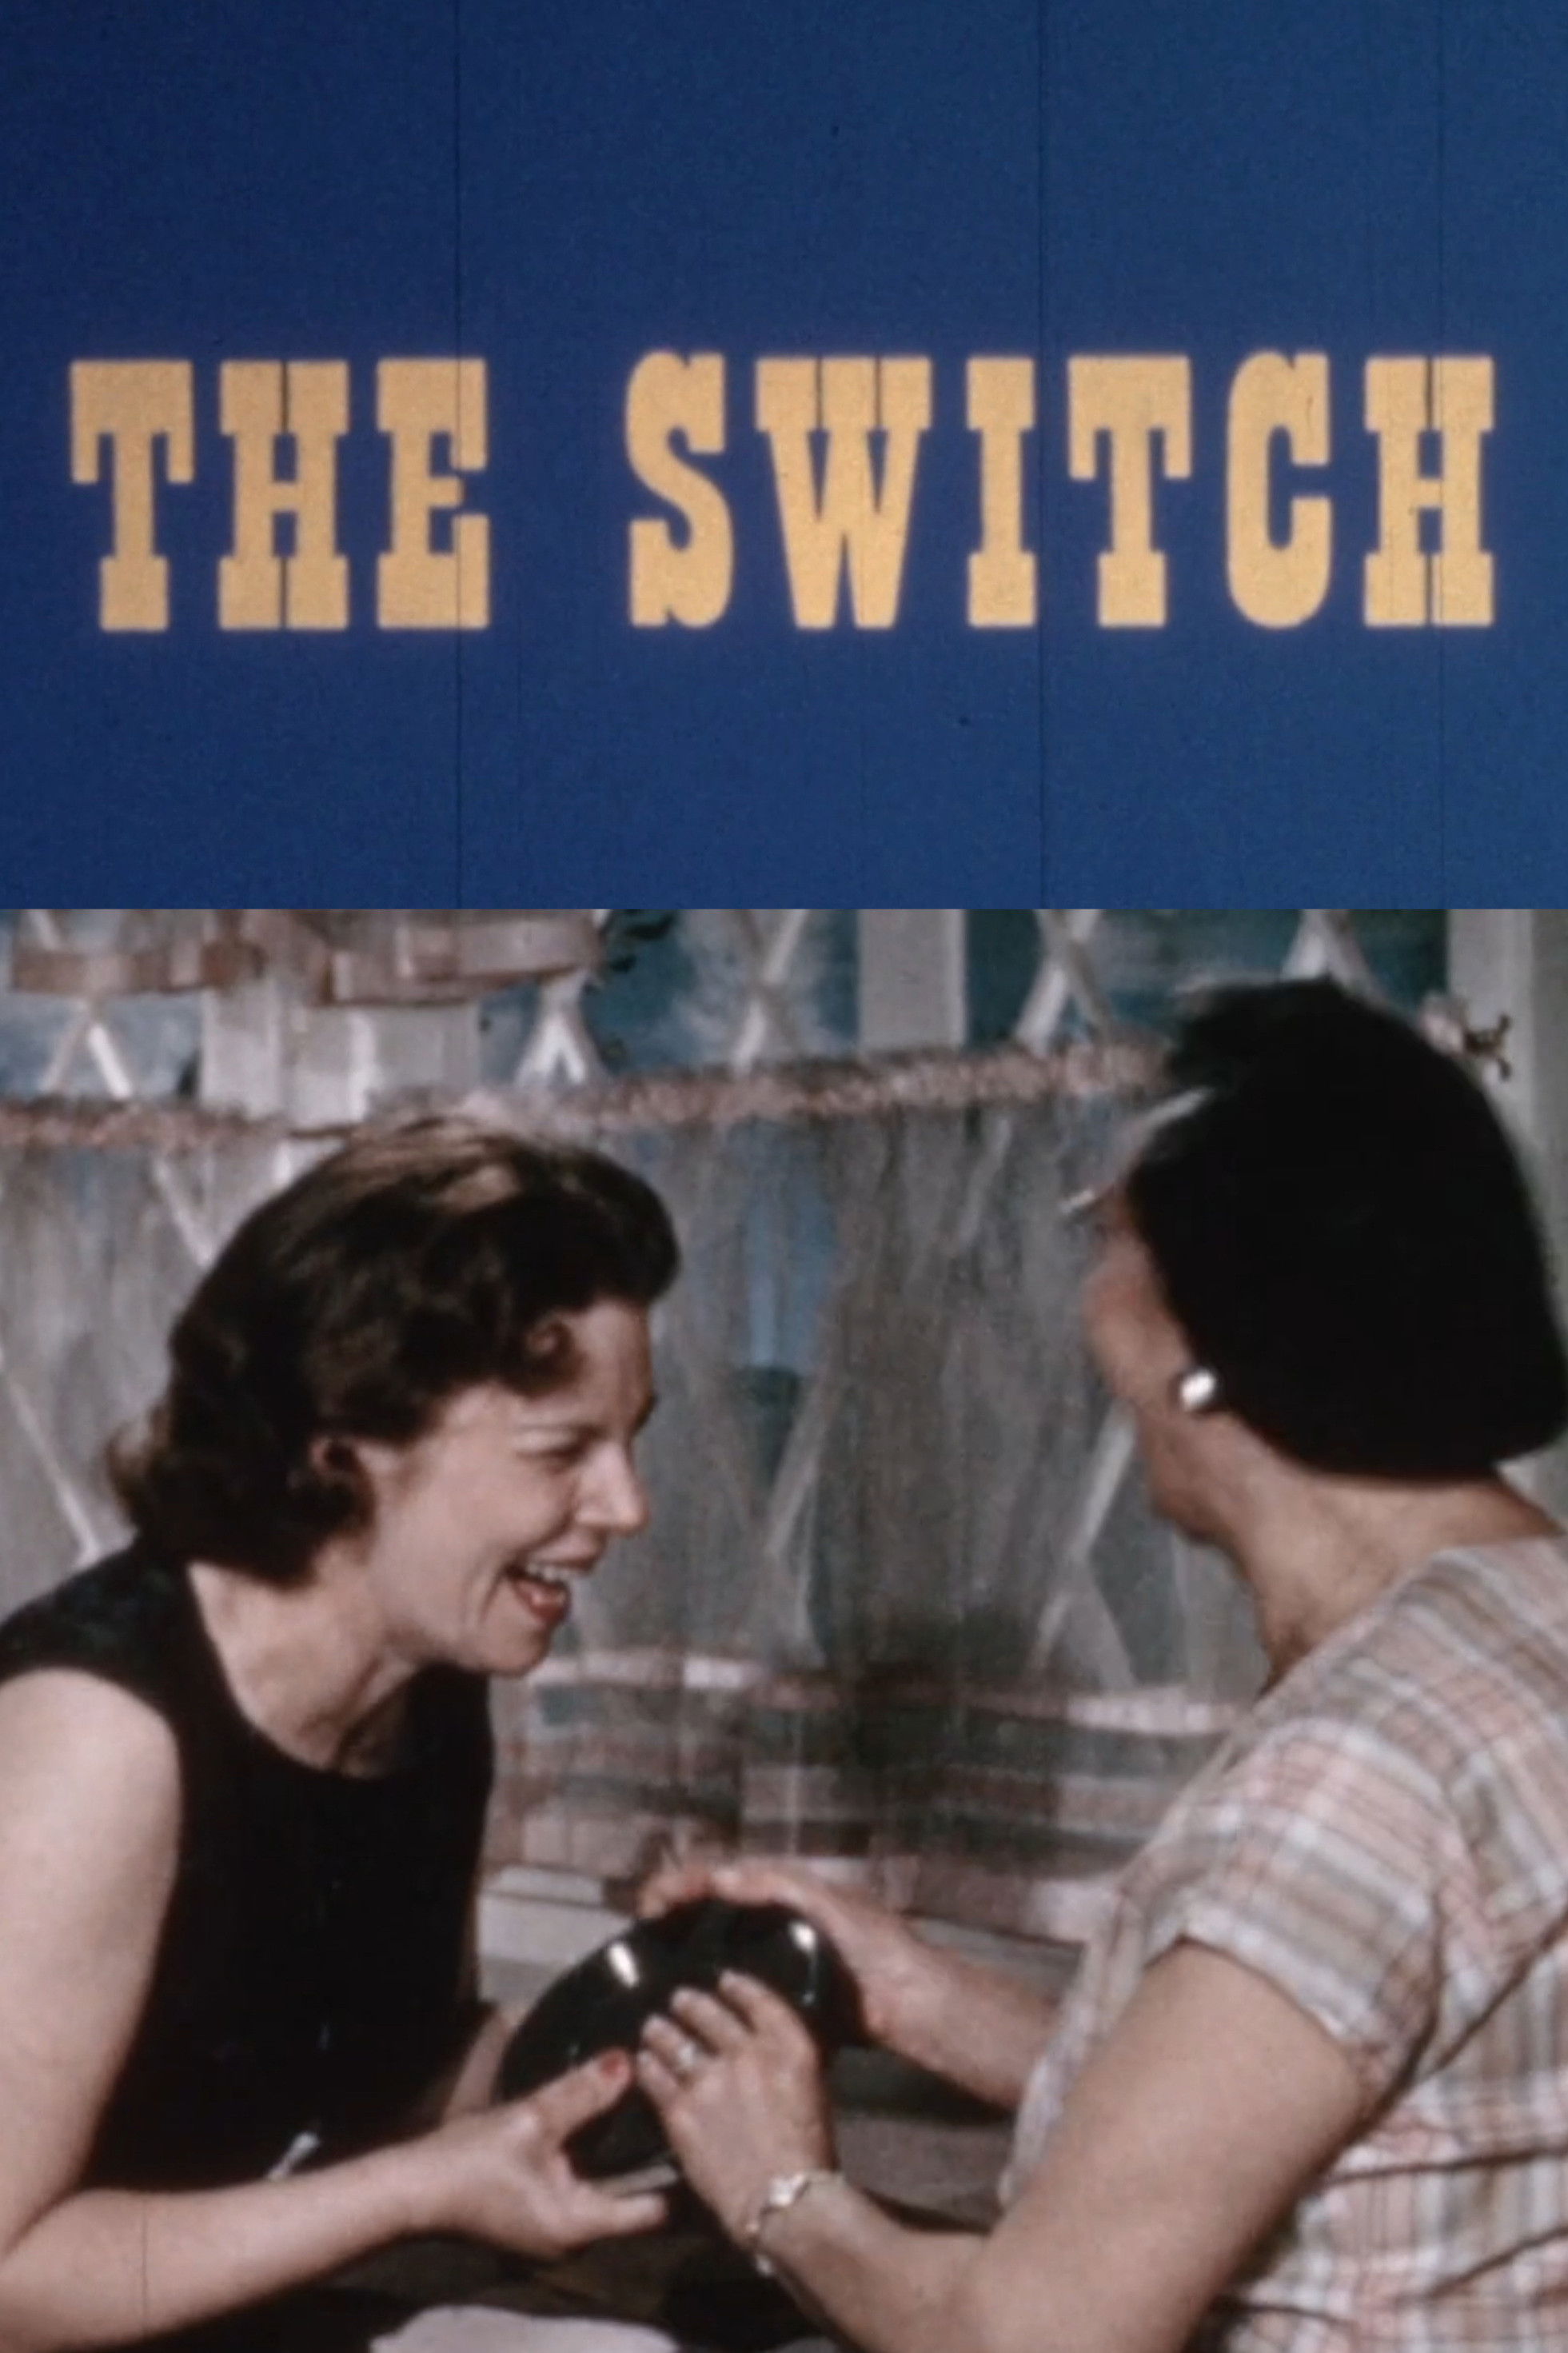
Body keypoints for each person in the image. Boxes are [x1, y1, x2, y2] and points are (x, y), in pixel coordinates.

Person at [636, 979, 1568, 2353]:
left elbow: (1025, 2340)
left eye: (1105, 1231)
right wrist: (921, 1997)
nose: (1081, 1298)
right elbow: (1312, 2107)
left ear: (1199, 1347)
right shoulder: (1521, 1628)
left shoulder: (1354, 1769)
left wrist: (778, 2189)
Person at [0, 1119, 683, 2353]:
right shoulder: (94, 1738)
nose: (627, 1505)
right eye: (562, 1449)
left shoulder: (428, 1681)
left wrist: (662, 2031)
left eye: (631, 1437)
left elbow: (382, 2075)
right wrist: (420, 2188)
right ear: (348, 1449)